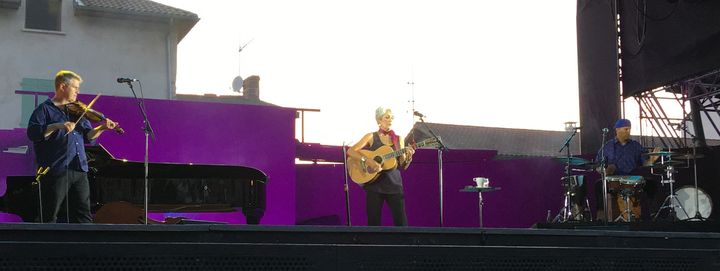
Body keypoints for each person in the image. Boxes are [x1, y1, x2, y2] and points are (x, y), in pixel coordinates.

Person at [27, 70, 118, 223]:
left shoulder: (76, 110)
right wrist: (57, 125)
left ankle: (85, 245)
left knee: (84, 215)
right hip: (57, 168)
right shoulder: (44, 109)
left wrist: (102, 128)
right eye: (75, 87)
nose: (78, 91)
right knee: (49, 215)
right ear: (62, 86)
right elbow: (34, 133)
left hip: (79, 168)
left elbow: (88, 136)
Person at [347, 107, 415, 226]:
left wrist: (409, 157)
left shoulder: (399, 139)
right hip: (374, 185)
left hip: (394, 185)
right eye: (387, 117)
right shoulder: (371, 136)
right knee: (373, 223)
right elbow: (351, 151)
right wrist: (367, 160)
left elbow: (402, 165)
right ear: (379, 120)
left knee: (402, 223)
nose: (390, 120)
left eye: (392, 117)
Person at [595, 118, 660, 221]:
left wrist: (652, 160)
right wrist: (604, 170)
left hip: (632, 178)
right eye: (625, 129)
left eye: (629, 129)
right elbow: (598, 164)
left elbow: (645, 163)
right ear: (617, 130)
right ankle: (601, 217)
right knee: (598, 185)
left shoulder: (635, 146)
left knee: (651, 184)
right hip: (614, 179)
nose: (628, 132)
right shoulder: (608, 146)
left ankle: (649, 214)